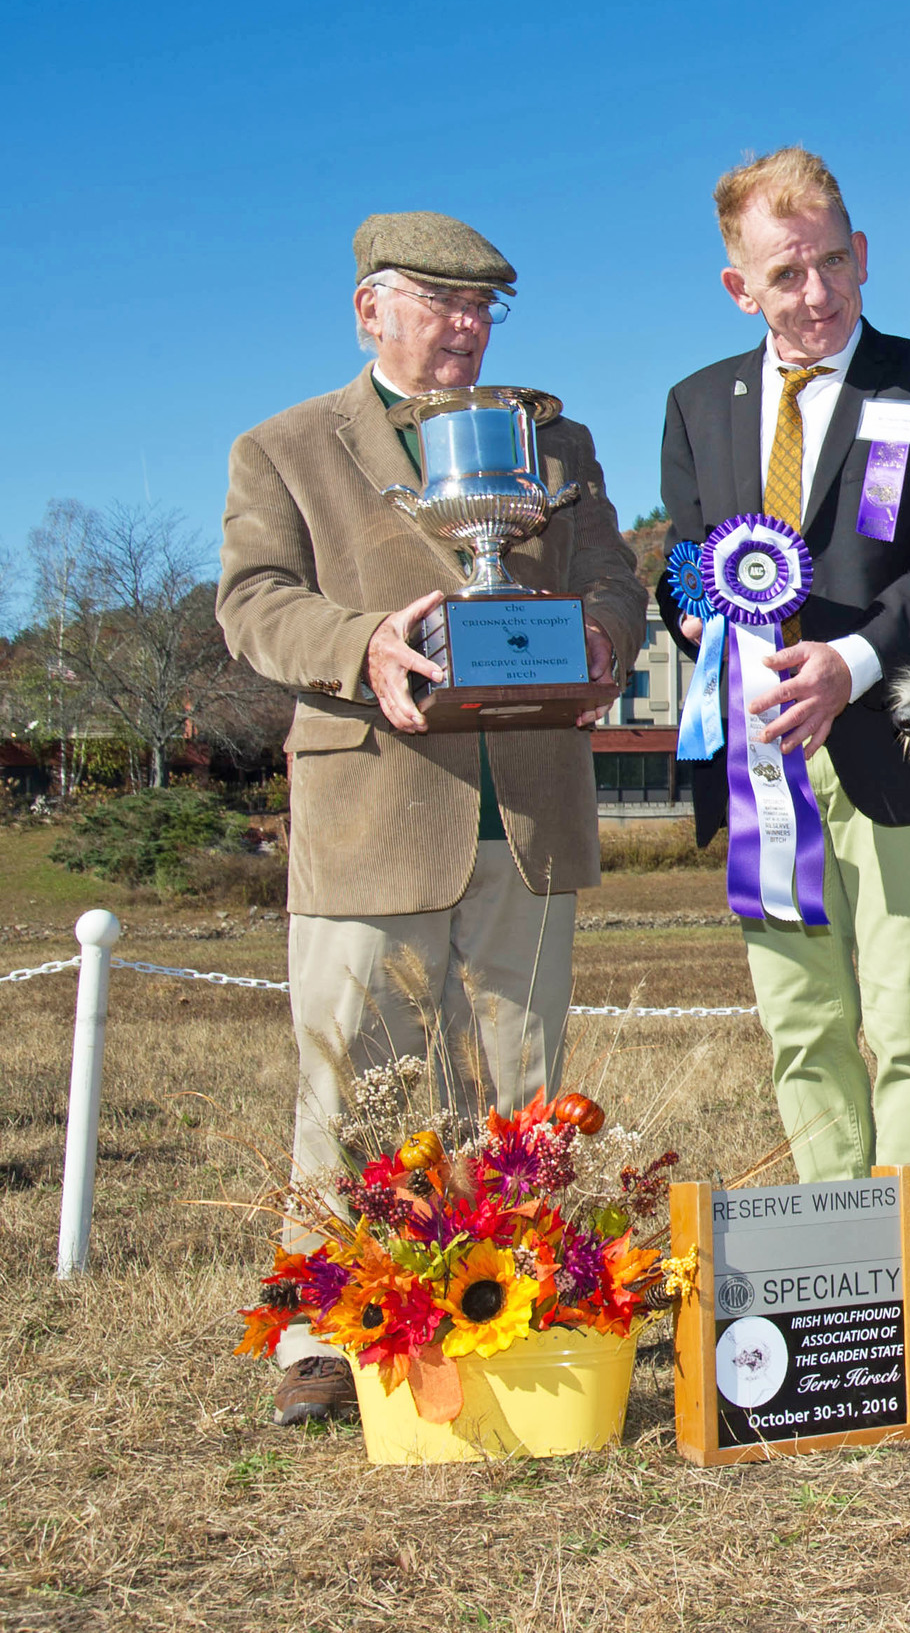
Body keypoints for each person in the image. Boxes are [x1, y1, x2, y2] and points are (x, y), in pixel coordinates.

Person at [216, 212, 644, 1426]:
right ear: (370, 311)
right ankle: (319, 1328)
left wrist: (606, 629)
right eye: (438, 303)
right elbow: (252, 602)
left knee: (521, 1085)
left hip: (533, 809)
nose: (465, 327)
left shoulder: (553, 439)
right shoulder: (285, 446)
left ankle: (525, 1307)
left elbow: (610, 569)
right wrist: (365, 645)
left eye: (482, 308)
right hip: (375, 807)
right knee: (358, 1086)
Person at [657, 148, 910, 1392]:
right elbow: (687, 561)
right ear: (739, 286)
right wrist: (702, 621)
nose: (817, 292)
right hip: (762, 769)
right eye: (786, 272)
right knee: (803, 1027)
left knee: (908, 1020)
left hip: (896, 744)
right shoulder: (697, 405)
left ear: (864, 252)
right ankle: (844, 1281)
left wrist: (849, 661)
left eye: (834, 259)